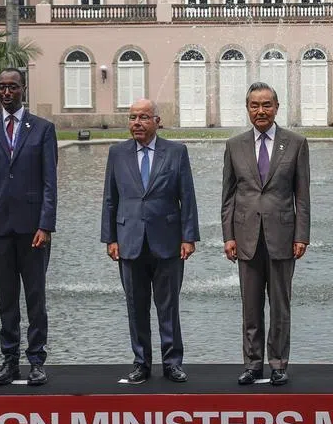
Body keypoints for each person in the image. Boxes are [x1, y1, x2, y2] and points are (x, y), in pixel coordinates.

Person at [101, 98, 199, 384]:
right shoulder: (117, 153)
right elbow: (110, 199)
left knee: (168, 306)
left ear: (157, 121)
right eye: (132, 117)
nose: (137, 123)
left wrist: (188, 237)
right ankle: (141, 363)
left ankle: (172, 363)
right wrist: (110, 238)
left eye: (144, 117)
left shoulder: (176, 152)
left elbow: (187, 197)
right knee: (136, 305)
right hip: (129, 240)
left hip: (167, 241)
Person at [221, 82, 310, 386]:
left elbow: (303, 196)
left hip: (283, 235)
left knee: (280, 305)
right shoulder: (234, 146)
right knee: (250, 306)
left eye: (267, 105)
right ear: (247, 109)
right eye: (255, 106)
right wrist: (228, 236)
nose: (261, 111)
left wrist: (302, 235)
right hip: (246, 237)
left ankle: (279, 363)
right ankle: (252, 363)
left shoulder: (296, 143)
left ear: (277, 107)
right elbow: (228, 196)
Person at [0, 67, 57, 387]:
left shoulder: (43, 129)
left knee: (36, 299)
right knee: (6, 299)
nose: (7, 92)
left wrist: (45, 225)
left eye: (13, 87)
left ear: (24, 89)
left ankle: (36, 360)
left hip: (33, 230)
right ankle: (9, 360)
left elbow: (50, 183)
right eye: (1, 87)